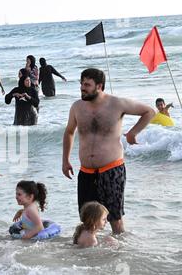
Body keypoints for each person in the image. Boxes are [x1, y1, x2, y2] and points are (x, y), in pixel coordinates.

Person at [62, 68, 155, 234]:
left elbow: (149, 112)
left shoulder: (117, 104)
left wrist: (133, 132)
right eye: (81, 84)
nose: (82, 88)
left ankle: (118, 255)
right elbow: (69, 132)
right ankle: (91, 256)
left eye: (87, 85)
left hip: (111, 169)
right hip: (86, 172)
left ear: (99, 86)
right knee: (87, 218)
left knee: (114, 219)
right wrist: (65, 160)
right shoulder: (77, 107)